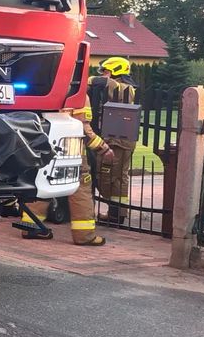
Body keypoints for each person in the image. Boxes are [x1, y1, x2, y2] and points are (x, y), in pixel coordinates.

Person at [21, 101, 113, 246]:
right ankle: (84, 235)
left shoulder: (50, 87)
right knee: (80, 187)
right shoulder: (79, 94)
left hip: (46, 143)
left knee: (43, 182)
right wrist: (103, 148)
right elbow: (82, 128)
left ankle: (30, 227)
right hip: (70, 146)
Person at [93, 57, 138, 224]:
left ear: (116, 71)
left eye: (106, 71)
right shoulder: (117, 86)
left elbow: (106, 84)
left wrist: (89, 79)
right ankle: (116, 213)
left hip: (119, 140)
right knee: (114, 176)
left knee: (115, 177)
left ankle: (116, 215)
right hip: (117, 138)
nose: (103, 75)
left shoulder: (125, 87)